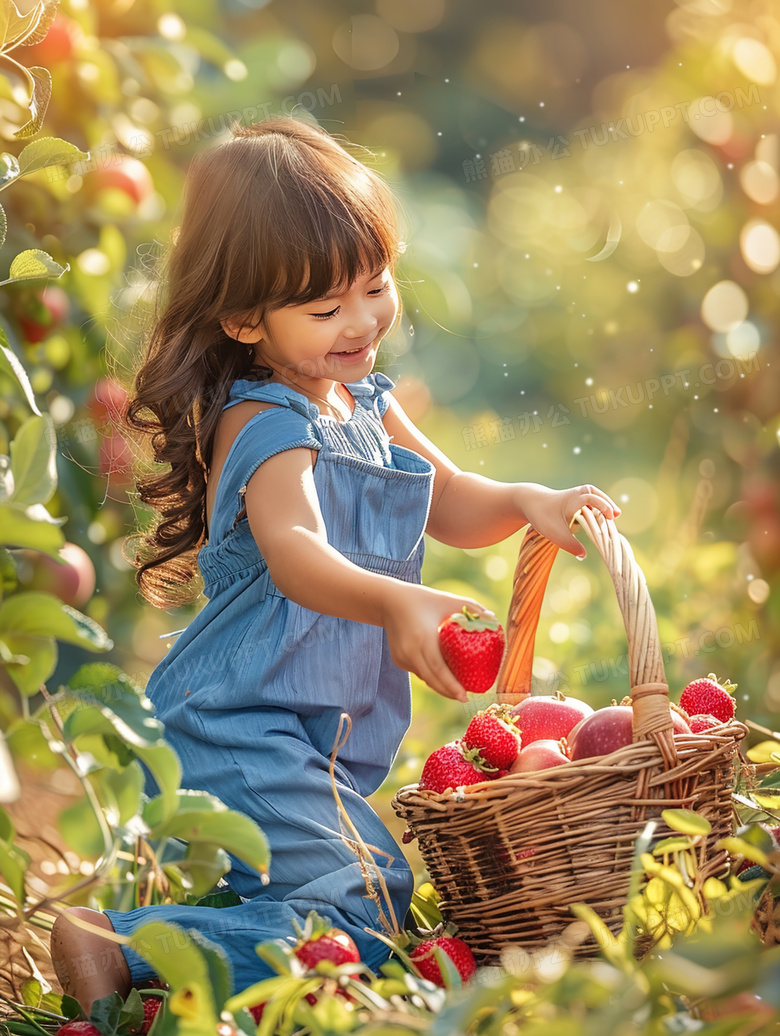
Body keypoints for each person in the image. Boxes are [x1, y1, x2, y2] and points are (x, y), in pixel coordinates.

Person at [50, 115, 619, 1010]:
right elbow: (296, 553)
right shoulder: (267, 424)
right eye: (325, 309)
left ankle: (185, 985)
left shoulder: (363, 400)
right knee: (367, 905)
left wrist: (526, 504)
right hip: (244, 719)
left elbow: (453, 495)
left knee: (333, 899)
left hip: (322, 729)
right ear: (243, 318)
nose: (362, 322)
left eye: (375, 287)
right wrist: (396, 603)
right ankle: (119, 945)